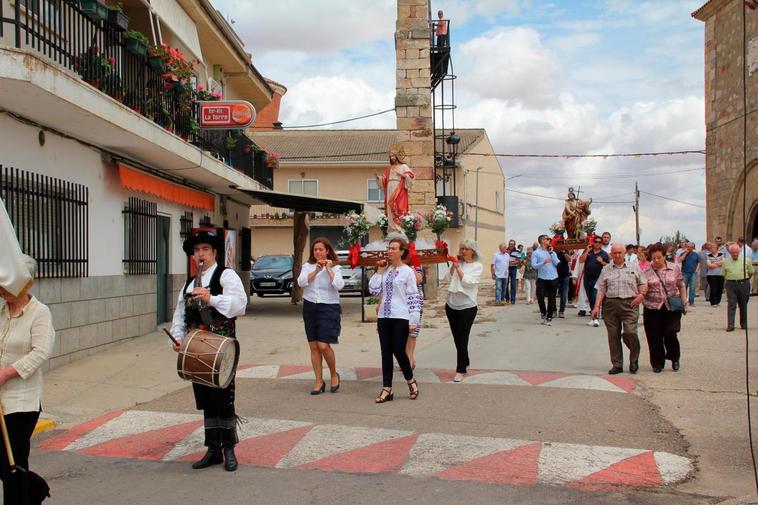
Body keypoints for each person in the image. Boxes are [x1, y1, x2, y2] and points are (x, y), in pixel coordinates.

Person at [170, 230, 247, 471]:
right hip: (197, 351)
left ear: (214, 252)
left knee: (224, 398)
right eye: (197, 250)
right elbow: (180, 315)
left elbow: (240, 306)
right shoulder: (189, 284)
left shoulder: (227, 276)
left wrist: (211, 298)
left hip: (222, 350)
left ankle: (229, 448)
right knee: (206, 398)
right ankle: (213, 449)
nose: (200, 254)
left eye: (205, 249)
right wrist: (178, 339)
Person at [0, 255, 53, 504]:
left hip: (22, 402)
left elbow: (41, 352)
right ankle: (31, 490)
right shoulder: (1, 311)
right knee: (3, 461)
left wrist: (5, 373)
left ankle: (28, 493)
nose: (2, 290)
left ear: (26, 283)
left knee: (14, 462)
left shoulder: (40, 313)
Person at [369, 237, 420, 403]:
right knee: (385, 353)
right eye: (389, 248)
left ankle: (410, 381)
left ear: (402, 252)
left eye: (393, 248)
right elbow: (374, 291)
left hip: (401, 315)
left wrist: (413, 320)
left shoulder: (407, 272)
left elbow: (413, 297)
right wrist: (379, 271)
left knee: (399, 351)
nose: (390, 251)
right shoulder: (385, 271)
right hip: (384, 316)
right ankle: (387, 389)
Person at [297, 237, 344, 395]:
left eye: (321, 249)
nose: (318, 252)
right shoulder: (307, 266)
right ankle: (318, 380)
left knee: (323, 345)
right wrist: (316, 271)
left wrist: (328, 269)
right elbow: (301, 282)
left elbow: (339, 285)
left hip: (329, 306)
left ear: (327, 251)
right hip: (310, 306)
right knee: (314, 346)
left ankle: (333, 374)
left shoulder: (335, 267)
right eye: (315, 249)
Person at [592, 243, 647, 375]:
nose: (617, 255)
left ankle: (634, 359)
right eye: (614, 253)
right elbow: (601, 289)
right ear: (611, 254)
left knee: (630, 333)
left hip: (630, 304)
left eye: (620, 253)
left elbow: (643, 282)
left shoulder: (634, 267)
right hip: (610, 304)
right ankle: (617, 364)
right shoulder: (606, 269)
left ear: (624, 253)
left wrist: (641, 295)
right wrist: (596, 306)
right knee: (613, 335)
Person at [641, 243, 686, 373]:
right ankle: (657, 363)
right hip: (652, 307)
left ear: (664, 256)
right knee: (654, 336)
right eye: (653, 258)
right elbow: (641, 286)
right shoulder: (645, 270)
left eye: (658, 257)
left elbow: (681, 285)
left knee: (670, 334)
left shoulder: (674, 268)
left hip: (670, 307)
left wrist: (685, 302)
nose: (656, 261)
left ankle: (674, 357)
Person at [445, 239, 483, 382]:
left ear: (472, 251)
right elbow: (448, 279)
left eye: (466, 249)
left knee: (463, 337)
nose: (463, 251)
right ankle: (465, 360)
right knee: (457, 338)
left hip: (467, 306)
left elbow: (468, 282)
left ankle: (460, 369)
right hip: (451, 304)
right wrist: (454, 266)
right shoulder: (458, 264)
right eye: (462, 249)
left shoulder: (477, 266)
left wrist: (458, 268)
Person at [375, 148, 414, 232]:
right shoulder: (389, 168)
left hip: (399, 186)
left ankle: (399, 227)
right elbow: (384, 178)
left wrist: (401, 174)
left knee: (399, 205)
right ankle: (392, 227)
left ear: (397, 156)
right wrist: (379, 178)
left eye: (393, 155)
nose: (392, 157)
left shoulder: (403, 166)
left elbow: (410, 175)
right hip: (389, 187)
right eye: (390, 156)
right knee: (390, 205)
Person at [723, 243, 754, 332]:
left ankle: (744, 324)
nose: (735, 254)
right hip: (730, 284)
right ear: (730, 252)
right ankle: (730, 325)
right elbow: (723, 274)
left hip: (743, 283)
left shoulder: (746, 260)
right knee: (731, 304)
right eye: (733, 253)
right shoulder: (726, 261)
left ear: (739, 252)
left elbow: (751, 272)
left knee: (743, 304)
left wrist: (745, 279)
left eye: (736, 252)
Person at [579, 236, 609, 327]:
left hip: (598, 279)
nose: (597, 243)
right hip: (587, 279)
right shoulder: (588, 251)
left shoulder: (604, 254)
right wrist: (587, 251)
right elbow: (581, 260)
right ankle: (594, 317)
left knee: (595, 298)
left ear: (601, 244)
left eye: (600, 242)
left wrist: (601, 262)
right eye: (596, 241)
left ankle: (596, 318)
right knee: (591, 299)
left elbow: (608, 266)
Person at [531, 235, 559, 325]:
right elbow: (534, 265)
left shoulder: (552, 252)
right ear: (542, 241)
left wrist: (551, 254)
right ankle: (543, 312)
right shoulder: (536, 252)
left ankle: (549, 316)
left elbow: (557, 263)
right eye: (547, 239)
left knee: (552, 298)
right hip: (542, 278)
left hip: (553, 277)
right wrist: (543, 262)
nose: (549, 240)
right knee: (540, 297)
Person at [406, 264, 425, 370]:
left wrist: (411, 268)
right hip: (400, 298)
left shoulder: (416, 263)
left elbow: (418, 280)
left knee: (413, 329)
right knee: (401, 329)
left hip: (415, 299)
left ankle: (410, 358)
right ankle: (404, 357)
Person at [678, 242, 699, 307]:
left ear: (693, 248)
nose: (689, 248)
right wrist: (686, 253)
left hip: (693, 273)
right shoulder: (682, 253)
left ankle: (691, 302)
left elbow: (699, 262)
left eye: (691, 247)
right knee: (684, 287)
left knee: (692, 288)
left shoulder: (696, 254)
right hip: (684, 272)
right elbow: (680, 260)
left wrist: (696, 270)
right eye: (688, 246)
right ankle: (683, 301)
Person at [706, 242, 726, 307]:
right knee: (713, 288)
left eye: (714, 247)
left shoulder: (721, 254)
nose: (712, 249)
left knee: (720, 288)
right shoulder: (708, 255)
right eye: (711, 248)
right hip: (711, 275)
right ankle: (713, 302)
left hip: (720, 274)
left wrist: (714, 262)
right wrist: (718, 263)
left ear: (717, 248)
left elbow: (723, 262)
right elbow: (709, 265)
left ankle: (718, 301)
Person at [557, 250, 572, 318]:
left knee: (564, 294)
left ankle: (561, 311)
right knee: (552, 294)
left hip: (565, 275)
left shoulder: (565, 251)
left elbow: (569, 259)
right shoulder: (553, 251)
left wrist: (564, 252)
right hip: (555, 275)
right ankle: (553, 310)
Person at [505, 240, 520, 304]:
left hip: (513, 268)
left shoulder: (517, 251)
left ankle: (513, 299)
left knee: (513, 284)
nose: (511, 245)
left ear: (514, 245)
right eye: (510, 244)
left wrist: (515, 262)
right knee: (506, 284)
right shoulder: (505, 250)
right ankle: (507, 298)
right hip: (506, 268)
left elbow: (519, 260)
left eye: (512, 244)